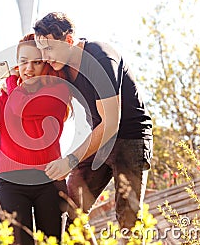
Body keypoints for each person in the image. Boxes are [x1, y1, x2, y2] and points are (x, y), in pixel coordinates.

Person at [33, 12, 153, 240]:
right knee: (69, 208)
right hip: (99, 139)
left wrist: (70, 160)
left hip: (129, 138)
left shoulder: (101, 58)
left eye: (48, 48)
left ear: (68, 41)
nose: (45, 56)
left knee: (129, 218)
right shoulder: (62, 66)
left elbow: (111, 123)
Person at [0, 33, 72, 245]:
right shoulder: (4, 93)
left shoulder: (58, 89)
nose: (29, 68)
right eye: (23, 62)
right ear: (17, 63)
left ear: (46, 64)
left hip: (49, 179)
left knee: (52, 242)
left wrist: (9, 79)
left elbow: (22, 108)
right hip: (11, 181)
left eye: (37, 62)